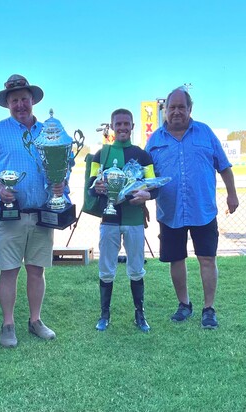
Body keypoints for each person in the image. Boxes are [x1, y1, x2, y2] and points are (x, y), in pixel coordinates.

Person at [0, 74, 64, 348]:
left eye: (24, 99)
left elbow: (65, 162)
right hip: (10, 215)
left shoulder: (49, 131)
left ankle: (35, 320)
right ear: (7, 104)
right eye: (14, 101)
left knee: (37, 270)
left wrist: (61, 182)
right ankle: (8, 324)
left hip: (42, 214)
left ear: (32, 100)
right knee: (9, 270)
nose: (20, 105)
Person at [145, 87, 239, 329]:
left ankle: (209, 308)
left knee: (207, 259)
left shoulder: (205, 133)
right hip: (170, 211)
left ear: (190, 109)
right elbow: (145, 176)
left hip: (202, 209)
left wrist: (232, 195)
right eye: (172, 107)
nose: (176, 112)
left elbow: (224, 166)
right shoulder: (154, 140)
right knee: (176, 259)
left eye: (181, 107)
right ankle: (184, 304)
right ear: (165, 110)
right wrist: (142, 203)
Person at [88, 108, 158, 332]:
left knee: (136, 268)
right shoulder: (101, 154)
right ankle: (104, 314)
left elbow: (154, 186)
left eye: (126, 124)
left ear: (132, 126)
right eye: (118, 124)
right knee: (106, 268)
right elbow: (91, 187)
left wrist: (146, 195)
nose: (122, 128)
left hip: (134, 218)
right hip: (109, 218)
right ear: (112, 127)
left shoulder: (142, 155)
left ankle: (140, 314)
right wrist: (97, 187)